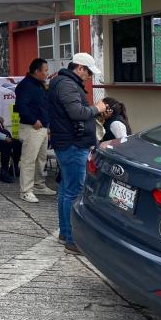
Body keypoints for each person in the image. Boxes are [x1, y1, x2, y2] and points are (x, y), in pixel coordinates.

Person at [48, 53, 107, 255]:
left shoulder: (62, 82)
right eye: (89, 72)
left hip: (68, 143)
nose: (89, 77)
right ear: (80, 68)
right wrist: (96, 108)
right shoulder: (67, 85)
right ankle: (73, 240)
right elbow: (77, 113)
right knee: (74, 192)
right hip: (73, 145)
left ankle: (66, 233)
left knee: (66, 189)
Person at [15, 58, 56, 203]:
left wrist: (47, 125)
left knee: (41, 159)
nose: (47, 73)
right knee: (28, 160)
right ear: (37, 71)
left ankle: (39, 185)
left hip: (43, 127)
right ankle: (25, 191)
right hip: (32, 127)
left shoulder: (40, 85)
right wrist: (33, 120)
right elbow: (21, 107)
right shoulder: (25, 86)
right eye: (45, 70)